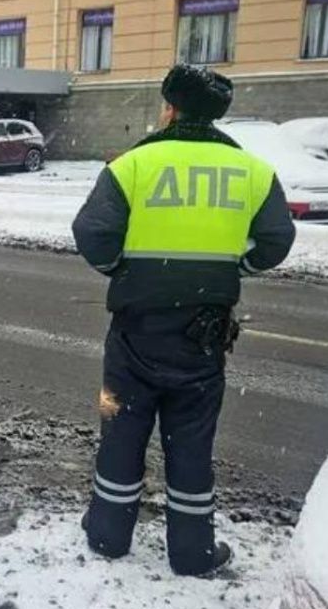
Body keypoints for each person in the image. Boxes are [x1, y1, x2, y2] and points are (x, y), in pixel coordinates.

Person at [71, 64, 295, 577]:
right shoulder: (252, 172)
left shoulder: (133, 165)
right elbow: (277, 241)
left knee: (119, 431)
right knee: (192, 446)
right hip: (204, 340)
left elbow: (92, 234)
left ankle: (108, 535)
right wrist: (233, 266)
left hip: (133, 336)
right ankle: (192, 553)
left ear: (169, 108)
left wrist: (125, 271)